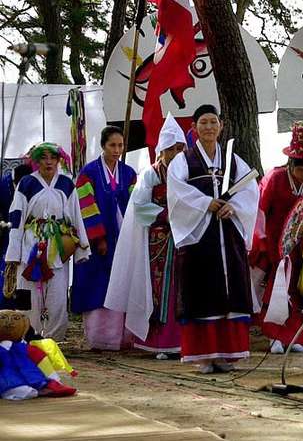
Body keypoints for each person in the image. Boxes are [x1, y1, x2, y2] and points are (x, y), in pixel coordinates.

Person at [167, 105, 260, 373]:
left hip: (227, 233)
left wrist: (235, 206)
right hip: (200, 235)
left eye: (213, 122)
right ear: (194, 127)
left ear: (221, 126)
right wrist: (206, 203)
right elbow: (177, 193)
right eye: (203, 122)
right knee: (202, 290)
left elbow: (249, 187)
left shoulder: (232, 160)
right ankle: (204, 355)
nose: (209, 127)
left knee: (230, 289)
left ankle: (227, 353)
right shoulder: (184, 160)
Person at [105, 115, 187, 359]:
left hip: (183, 238)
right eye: (170, 149)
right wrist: (166, 214)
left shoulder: (187, 172)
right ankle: (159, 343)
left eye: (179, 148)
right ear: (161, 150)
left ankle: (183, 341)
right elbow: (139, 206)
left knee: (181, 290)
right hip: (158, 240)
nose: (174, 154)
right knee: (158, 291)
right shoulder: (150, 175)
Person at [252, 120, 303, 354]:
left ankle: (296, 338)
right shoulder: (274, 178)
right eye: (301, 170)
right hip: (274, 243)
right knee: (277, 287)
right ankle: (273, 335)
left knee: (301, 289)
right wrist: (262, 241)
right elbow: (260, 212)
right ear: (290, 164)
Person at [4, 143, 89, 340]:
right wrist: (14, 252)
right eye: (44, 157)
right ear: (37, 160)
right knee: (30, 294)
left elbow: (76, 216)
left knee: (58, 296)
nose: (49, 162)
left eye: (53, 157)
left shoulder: (66, 184)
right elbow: (17, 217)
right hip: (31, 244)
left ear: (59, 160)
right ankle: (29, 337)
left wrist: (82, 247)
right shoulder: (26, 183)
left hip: (58, 244)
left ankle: (54, 340)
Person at [73, 126, 136, 350]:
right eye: (112, 145)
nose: (117, 150)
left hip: (125, 237)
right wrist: (98, 238)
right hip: (100, 238)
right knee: (99, 284)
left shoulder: (129, 173)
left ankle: (125, 337)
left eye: (120, 145)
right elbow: (85, 207)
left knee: (122, 282)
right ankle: (100, 338)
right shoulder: (88, 173)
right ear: (103, 145)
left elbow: (135, 203)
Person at [1, 164, 32, 310]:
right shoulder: (3, 185)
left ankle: (23, 315)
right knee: (7, 272)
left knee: (25, 275)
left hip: (29, 237)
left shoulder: (33, 185)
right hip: (6, 237)